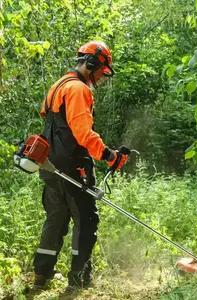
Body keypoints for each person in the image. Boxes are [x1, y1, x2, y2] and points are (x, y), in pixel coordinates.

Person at [33, 41, 128, 290]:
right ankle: (78, 279)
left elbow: (55, 125)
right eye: (101, 71)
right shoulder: (78, 89)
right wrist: (109, 155)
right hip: (74, 165)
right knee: (85, 220)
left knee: (56, 219)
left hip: (50, 163)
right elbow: (83, 133)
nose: (102, 78)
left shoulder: (57, 86)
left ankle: (41, 275)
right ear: (92, 63)